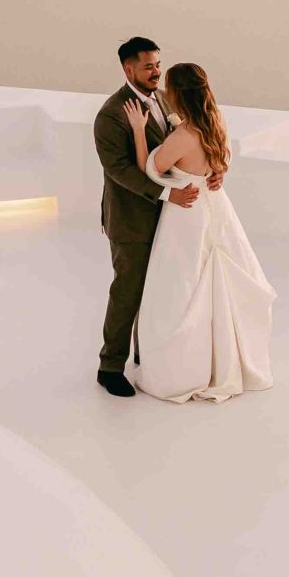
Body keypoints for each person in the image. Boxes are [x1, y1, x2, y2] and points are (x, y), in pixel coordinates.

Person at [120, 61, 274, 403]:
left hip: (186, 214)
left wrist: (139, 130)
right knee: (216, 283)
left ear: (177, 93)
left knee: (181, 288)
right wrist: (217, 171)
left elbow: (150, 169)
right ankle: (222, 359)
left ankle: (185, 367)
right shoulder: (215, 121)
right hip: (216, 206)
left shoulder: (184, 136)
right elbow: (221, 160)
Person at [93, 36, 201, 396]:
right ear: (128, 70)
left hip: (169, 217)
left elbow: (184, 143)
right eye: (148, 67)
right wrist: (168, 193)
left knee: (160, 288)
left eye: (158, 65)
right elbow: (119, 170)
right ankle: (110, 367)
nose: (156, 72)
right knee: (128, 292)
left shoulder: (166, 98)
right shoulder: (110, 115)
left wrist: (212, 171)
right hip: (131, 220)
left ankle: (147, 355)